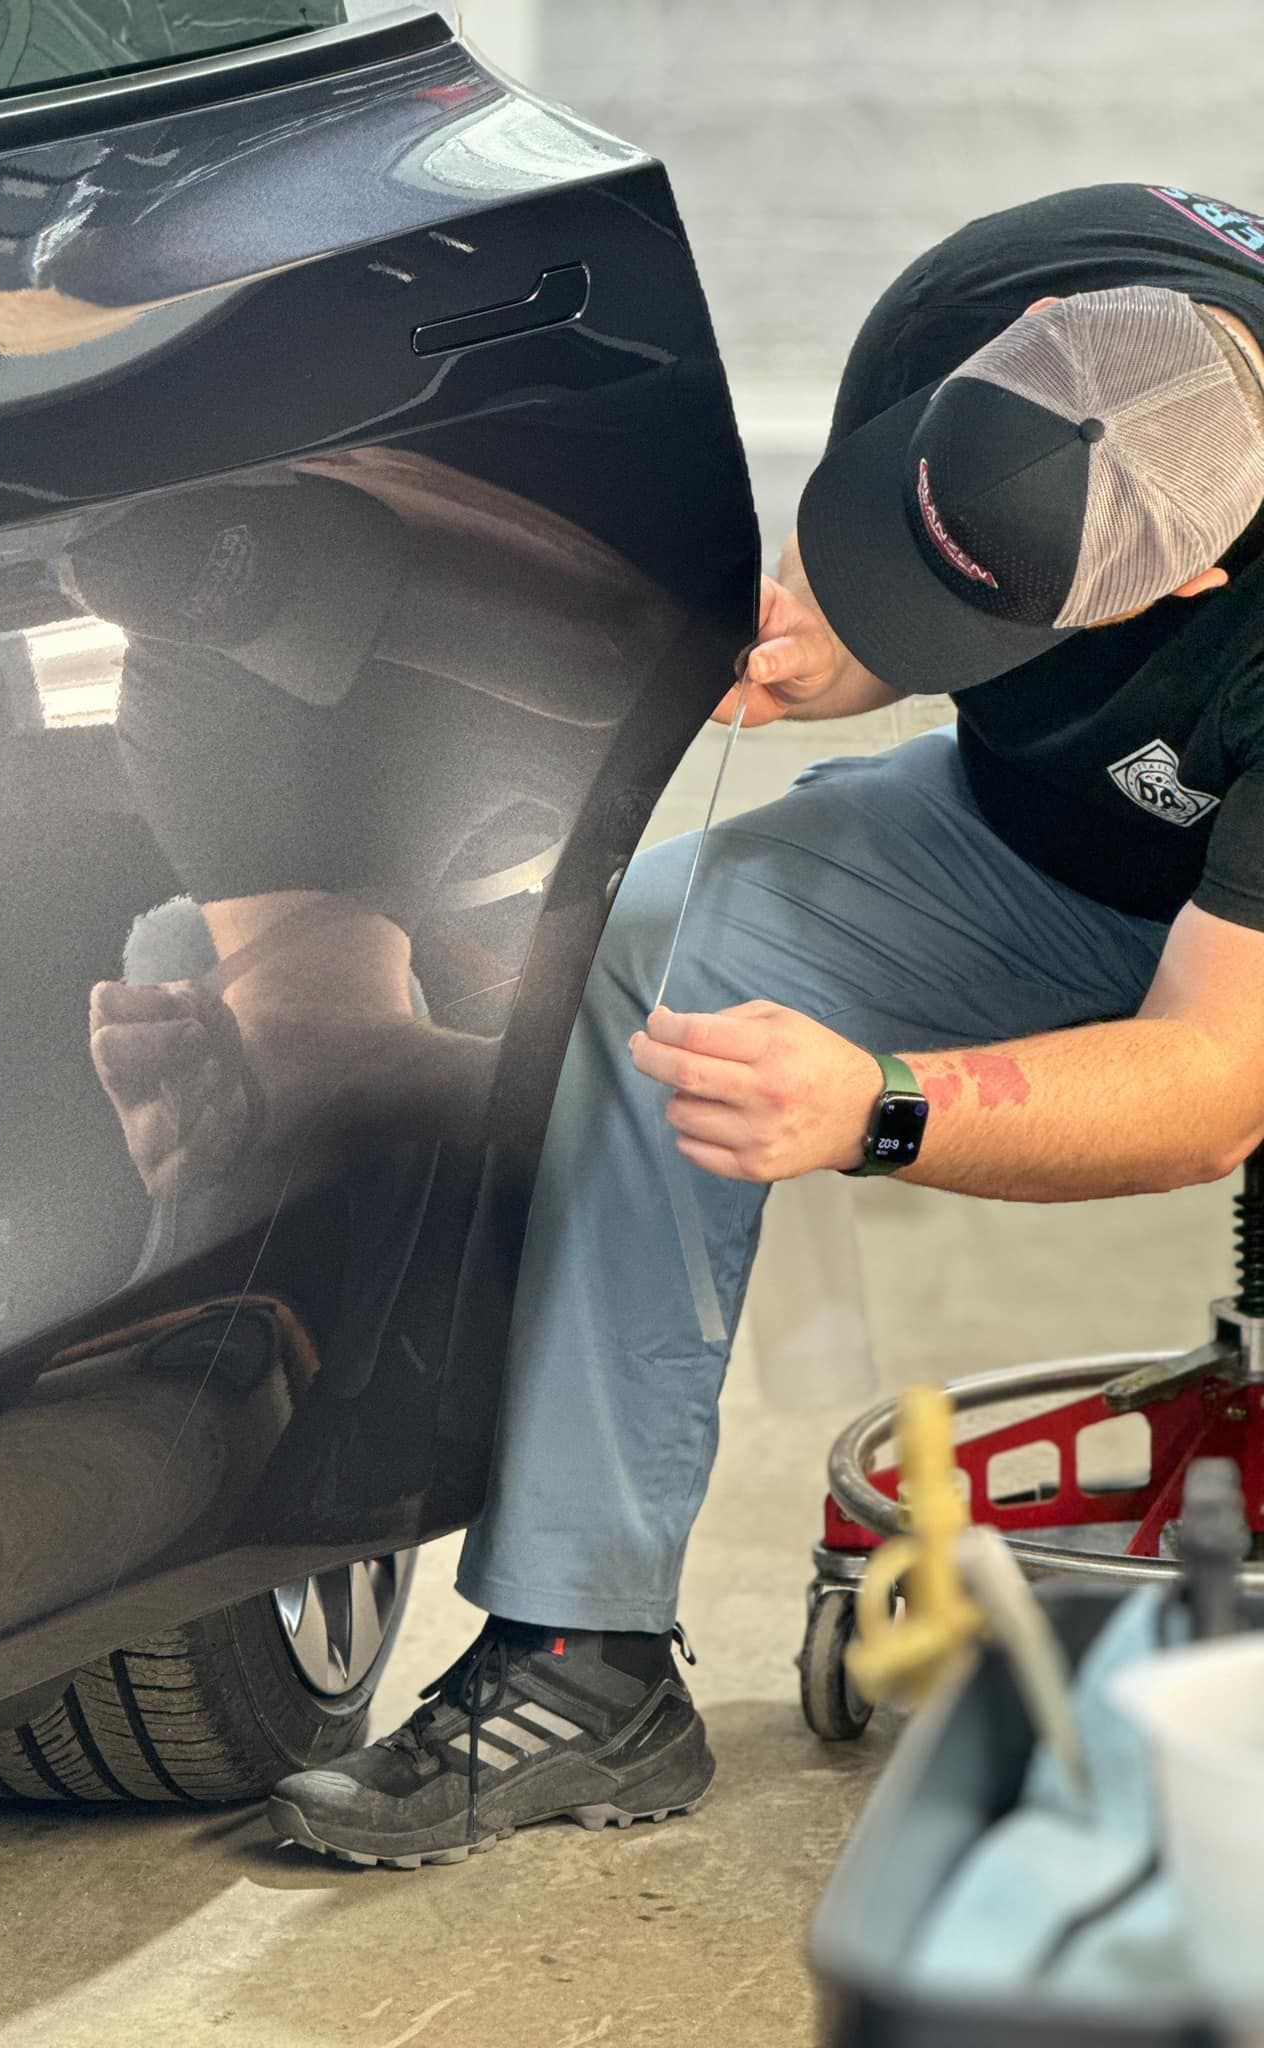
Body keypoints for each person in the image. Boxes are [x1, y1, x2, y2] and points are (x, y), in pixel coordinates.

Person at [266, 182, 1264, 1870]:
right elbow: (912, 582)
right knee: (658, 947)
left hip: (1231, 985)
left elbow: (1215, 1079)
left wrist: (883, 1104)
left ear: (1207, 572)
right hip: (1039, 850)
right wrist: (830, 649)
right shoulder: (999, 289)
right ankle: (582, 1656)